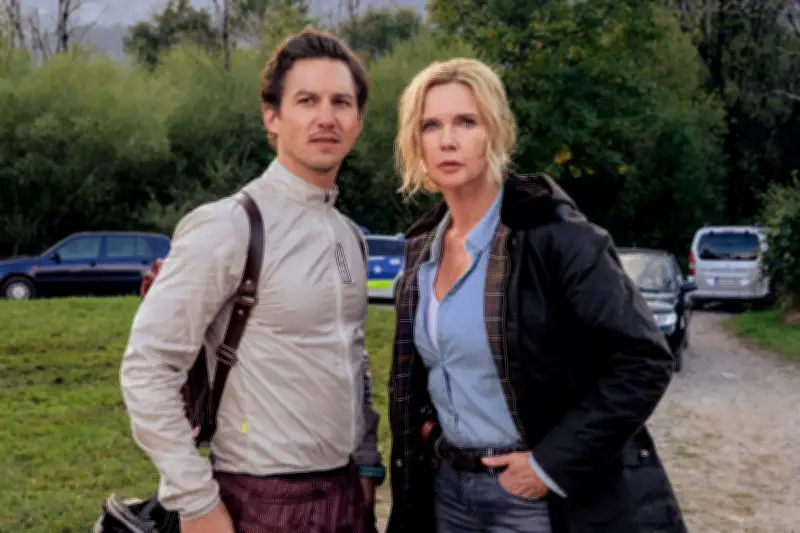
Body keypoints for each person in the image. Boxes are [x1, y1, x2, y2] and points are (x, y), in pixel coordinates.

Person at [385, 57, 688, 533]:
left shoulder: (557, 238)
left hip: (530, 499)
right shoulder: (422, 252)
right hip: (447, 494)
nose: (447, 140)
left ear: (497, 131)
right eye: (431, 125)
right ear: (415, 141)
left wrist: (549, 466)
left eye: (466, 122)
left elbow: (643, 360)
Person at [119, 29, 384, 533]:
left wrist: (368, 465)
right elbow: (148, 367)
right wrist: (195, 501)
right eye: (306, 100)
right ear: (272, 117)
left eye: (341, 102)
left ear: (357, 120)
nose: (326, 117)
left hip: (347, 496)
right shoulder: (230, 226)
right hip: (257, 502)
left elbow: (352, 355)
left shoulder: (350, 236)